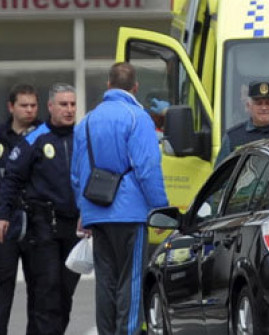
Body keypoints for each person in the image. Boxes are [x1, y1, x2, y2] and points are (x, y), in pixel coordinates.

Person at [70, 62, 168, 335]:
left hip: (97, 213)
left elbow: (76, 174)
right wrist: (161, 208)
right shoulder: (138, 117)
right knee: (131, 280)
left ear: (108, 85)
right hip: (130, 212)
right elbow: (147, 167)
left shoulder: (86, 121)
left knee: (106, 281)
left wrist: (83, 210)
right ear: (135, 87)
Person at [0, 83, 82, 335]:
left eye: (73, 104)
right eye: (63, 104)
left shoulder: (83, 136)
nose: (69, 109)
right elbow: (11, 179)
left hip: (74, 227)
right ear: (51, 107)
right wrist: (1, 215)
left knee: (65, 292)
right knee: (47, 289)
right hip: (44, 226)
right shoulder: (34, 138)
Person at [0, 83, 41, 335]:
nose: (30, 110)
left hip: (36, 222)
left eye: (34, 105)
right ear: (11, 107)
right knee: (4, 282)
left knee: (37, 286)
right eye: (24, 105)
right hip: (5, 221)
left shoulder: (44, 134)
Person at [214, 81, 269, 163]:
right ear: (248, 106)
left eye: (268, 103)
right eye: (259, 103)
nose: (264, 107)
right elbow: (221, 175)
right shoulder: (233, 138)